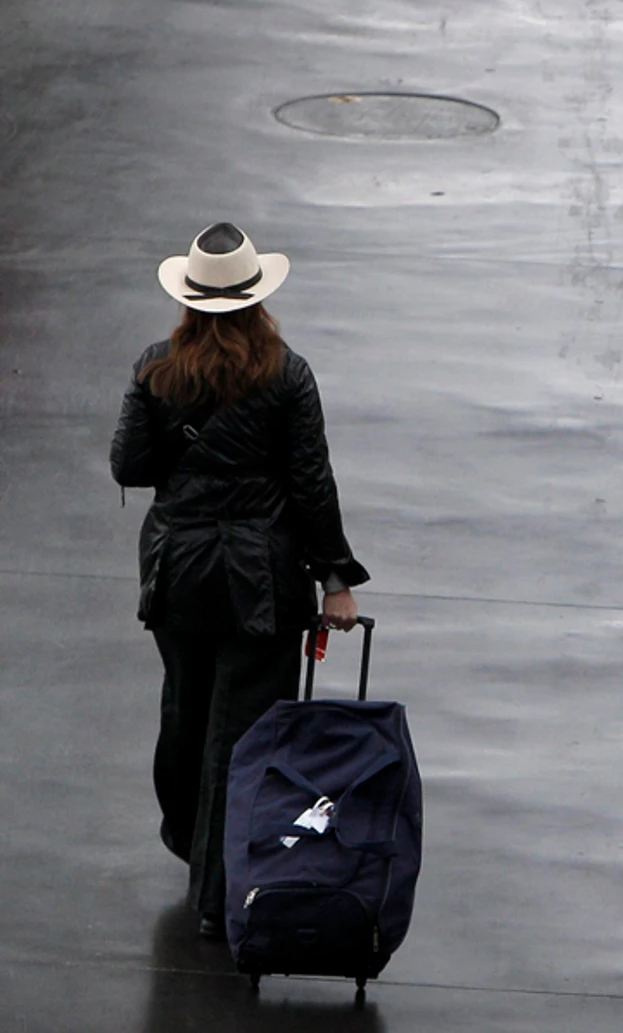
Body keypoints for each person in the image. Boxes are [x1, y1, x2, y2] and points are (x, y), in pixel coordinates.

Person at [110, 223, 370, 941]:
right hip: (260, 581)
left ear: (189, 300)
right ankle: (218, 891)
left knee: (185, 715)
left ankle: (187, 840)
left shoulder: (155, 367)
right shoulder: (287, 374)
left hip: (179, 573)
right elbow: (311, 485)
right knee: (243, 732)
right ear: (257, 298)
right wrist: (336, 580)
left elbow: (128, 464)